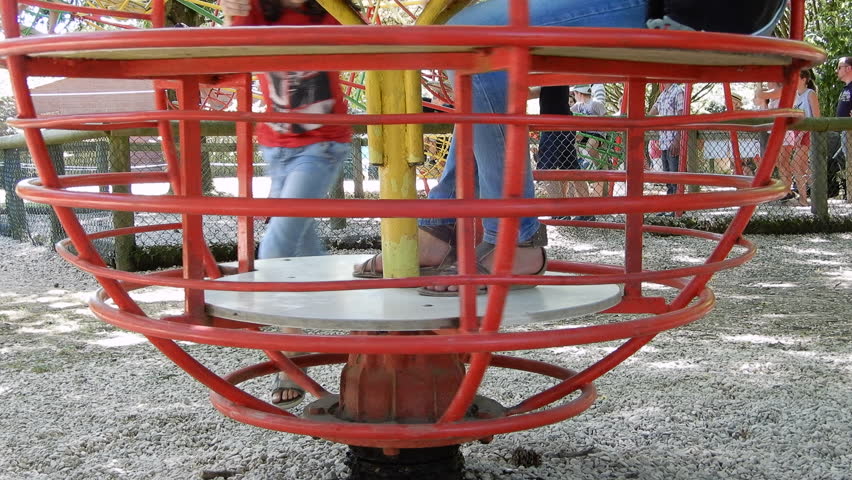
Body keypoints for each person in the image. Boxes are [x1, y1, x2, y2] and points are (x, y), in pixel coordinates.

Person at [352, 0, 787, 293]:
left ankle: (515, 241)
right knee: (466, 39)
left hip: (696, 7)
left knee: (474, 34)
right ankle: (446, 227)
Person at [223, 0, 353, 407]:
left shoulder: (331, 12)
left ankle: (289, 359)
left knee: (278, 243)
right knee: (301, 245)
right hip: (276, 143)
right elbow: (235, 41)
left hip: (321, 142)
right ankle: (336, 307)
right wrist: (232, 11)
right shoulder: (263, 13)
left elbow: (355, 36)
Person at [536, 86, 587, 213]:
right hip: (565, 123)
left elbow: (528, 92)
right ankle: (587, 211)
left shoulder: (547, 76)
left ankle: (558, 212)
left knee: (546, 170)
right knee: (572, 168)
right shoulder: (557, 80)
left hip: (552, 124)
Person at [778, 70, 820, 206]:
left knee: (796, 165)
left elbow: (816, 117)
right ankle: (813, 194)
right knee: (801, 167)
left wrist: (802, 134)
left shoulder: (810, 94)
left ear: (804, 79)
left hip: (808, 133)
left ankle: (805, 198)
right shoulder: (796, 96)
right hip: (797, 133)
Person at [570, 84, 607, 209]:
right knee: (574, 140)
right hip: (586, 132)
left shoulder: (595, 103)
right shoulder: (579, 106)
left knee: (591, 143)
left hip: (597, 133)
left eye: (574, 93)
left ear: (579, 93)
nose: (574, 96)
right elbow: (568, 111)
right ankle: (581, 159)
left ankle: (587, 161)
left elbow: (606, 116)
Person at [648, 82, 685, 198]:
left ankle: (677, 207)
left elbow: (682, 116)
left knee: (675, 177)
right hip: (663, 141)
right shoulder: (663, 94)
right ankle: (669, 205)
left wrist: (678, 139)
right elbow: (652, 113)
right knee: (667, 177)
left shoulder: (678, 91)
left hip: (673, 139)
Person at [837, 56, 852, 202]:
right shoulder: (846, 88)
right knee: (849, 164)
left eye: (839, 67)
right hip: (845, 131)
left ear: (848, 68)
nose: (837, 71)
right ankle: (850, 197)